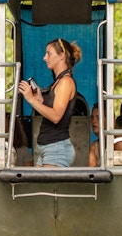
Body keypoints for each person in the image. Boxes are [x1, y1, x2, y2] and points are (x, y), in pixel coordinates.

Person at [18, 37, 80, 167]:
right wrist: (40, 100)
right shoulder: (58, 82)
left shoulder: (65, 82)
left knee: (46, 187)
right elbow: (51, 111)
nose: (45, 58)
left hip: (57, 149)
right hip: (47, 147)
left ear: (62, 56)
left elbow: (56, 116)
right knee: (37, 187)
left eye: (49, 53)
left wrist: (30, 99)